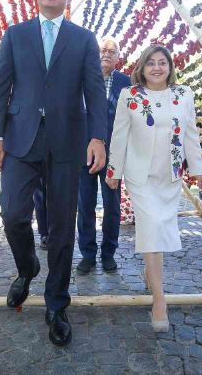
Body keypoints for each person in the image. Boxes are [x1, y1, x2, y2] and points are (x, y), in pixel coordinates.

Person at [0, 0, 107, 346]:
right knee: (12, 214)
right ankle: (27, 268)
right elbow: (0, 89)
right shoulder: (15, 35)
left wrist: (98, 138)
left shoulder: (84, 39)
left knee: (60, 226)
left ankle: (56, 303)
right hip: (20, 141)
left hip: (67, 142)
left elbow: (95, 92)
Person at [105, 45, 202, 332]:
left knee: (159, 230)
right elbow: (119, 134)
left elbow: (190, 134)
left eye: (163, 62)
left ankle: (152, 277)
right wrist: (114, 171)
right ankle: (159, 300)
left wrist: (197, 170)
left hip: (170, 175)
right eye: (151, 63)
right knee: (150, 227)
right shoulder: (131, 95)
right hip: (140, 176)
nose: (157, 68)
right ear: (142, 68)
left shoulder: (183, 94)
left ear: (170, 67)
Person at [76, 37, 131, 274]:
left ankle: (109, 253)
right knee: (85, 203)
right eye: (102, 50)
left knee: (112, 205)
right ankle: (88, 254)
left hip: (114, 154)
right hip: (84, 152)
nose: (106, 54)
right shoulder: (81, 80)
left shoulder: (126, 83)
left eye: (112, 51)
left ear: (119, 57)